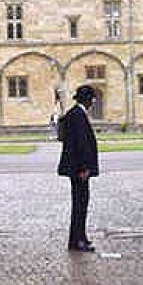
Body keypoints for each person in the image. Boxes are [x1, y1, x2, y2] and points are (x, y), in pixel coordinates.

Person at [57, 85, 100, 252]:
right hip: (79, 169)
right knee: (80, 205)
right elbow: (80, 144)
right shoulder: (78, 115)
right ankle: (77, 241)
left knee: (81, 204)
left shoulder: (75, 113)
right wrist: (84, 168)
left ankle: (80, 237)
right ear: (88, 100)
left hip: (77, 168)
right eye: (92, 100)